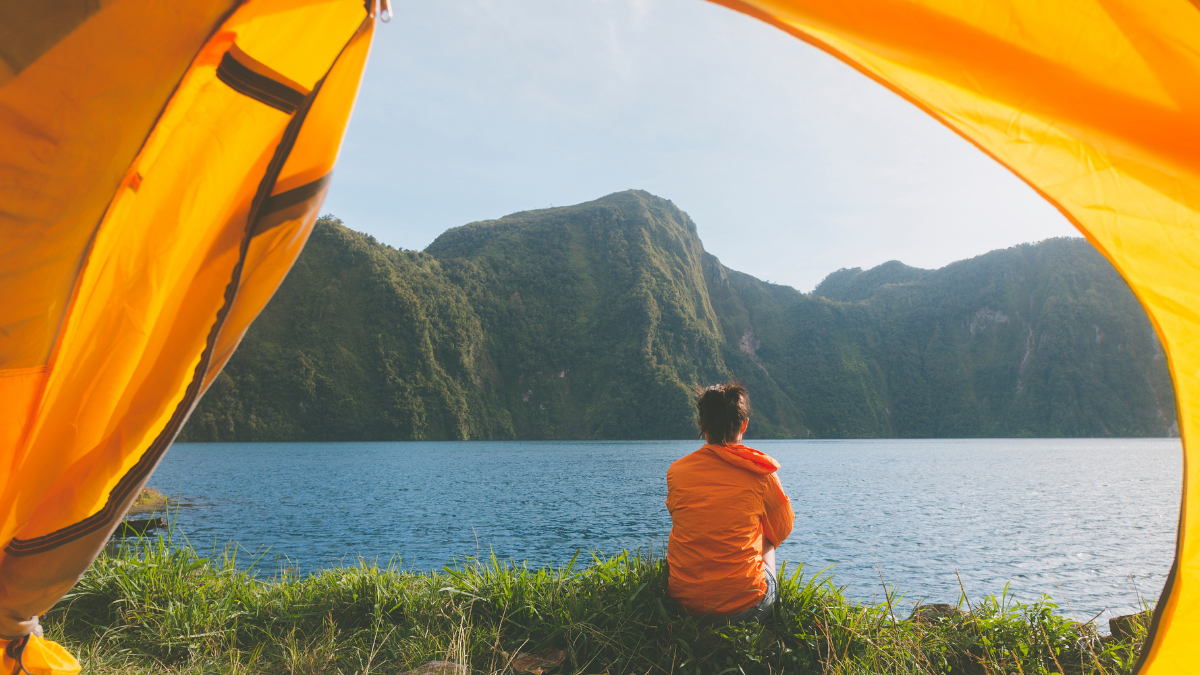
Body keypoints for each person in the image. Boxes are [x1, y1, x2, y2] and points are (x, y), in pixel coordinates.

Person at [665, 381, 795, 623]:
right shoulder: (761, 473)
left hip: (684, 605)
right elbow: (783, 528)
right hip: (745, 608)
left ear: (701, 423)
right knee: (767, 537)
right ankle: (771, 615)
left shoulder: (677, 471)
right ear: (744, 424)